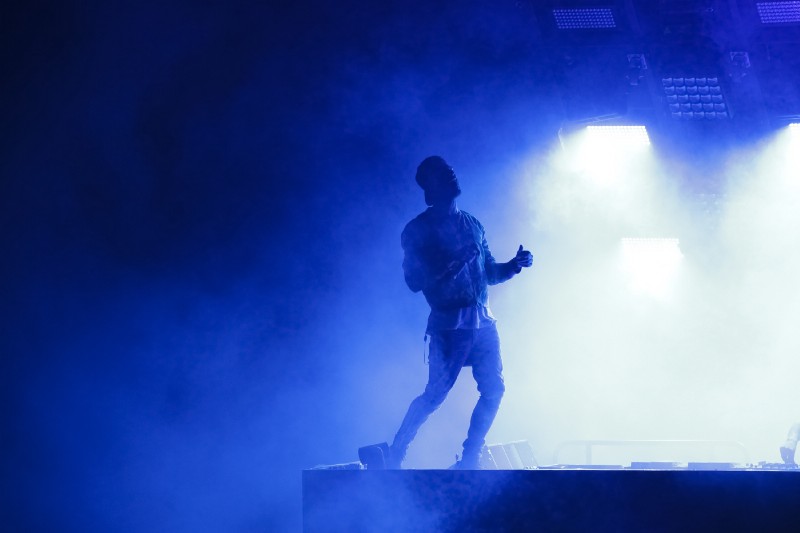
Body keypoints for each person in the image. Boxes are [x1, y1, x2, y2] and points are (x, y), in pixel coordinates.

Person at [386, 155, 533, 470]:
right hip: (449, 326)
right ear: (430, 188)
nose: (453, 176)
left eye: (452, 171)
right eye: (444, 174)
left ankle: (470, 457)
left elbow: (488, 273)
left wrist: (514, 266)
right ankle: (397, 450)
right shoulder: (418, 230)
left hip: (483, 322)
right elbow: (413, 281)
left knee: (494, 389)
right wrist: (452, 264)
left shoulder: (473, 223)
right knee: (435, 395)